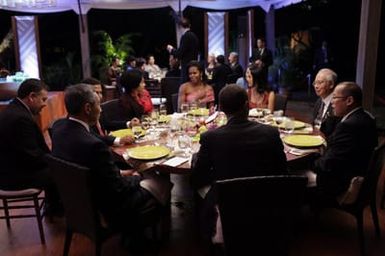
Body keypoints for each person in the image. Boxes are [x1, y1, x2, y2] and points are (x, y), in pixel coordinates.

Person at [51, 84, 165, 249]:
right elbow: (119, 189)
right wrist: (136, 177)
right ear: (88, 108)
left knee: (136, 175)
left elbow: (90, 169)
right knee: (160, 182)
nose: (101, 110)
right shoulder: (94, 145)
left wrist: (119, 172)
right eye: (98, 105)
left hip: (78, 201)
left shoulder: (59, 127)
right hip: (106, 206)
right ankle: (144, 237)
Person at [191, 84, 287, 241]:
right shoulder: (270, 133)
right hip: (265, 199)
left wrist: (199, 161)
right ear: (247, 105)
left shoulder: (211, 138)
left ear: (221, 108)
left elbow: (197, 179)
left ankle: (207, 229)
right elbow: (282, 172)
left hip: (226, 201)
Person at [0, 78, 61, 215]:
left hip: (10, 168)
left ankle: (54, 207)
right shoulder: (20, 118)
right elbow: (31, 155)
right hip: (13, 177)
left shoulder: (15, 109)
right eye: (43, 99)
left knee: (57, 166)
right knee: (62, 171)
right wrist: (56, 160)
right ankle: (58, 210)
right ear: (32, 97)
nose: (45, 104)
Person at [312, 82, 377, 205]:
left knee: (295, 177)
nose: (331, 102)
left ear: (349, 101)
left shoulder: (349, 126)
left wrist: (309, 161)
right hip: (356, 171)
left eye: (335, 98)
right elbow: (335, 141)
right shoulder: (364, 116)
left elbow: (328, 165)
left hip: (340, 183)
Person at [81, 77, 134, 146]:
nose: (99, 96)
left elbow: (107, 124)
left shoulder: (99, 107)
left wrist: (129, 124)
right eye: (96, 93)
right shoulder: (82, 114)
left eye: (100, 93)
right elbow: (93, 136)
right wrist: (119, 140)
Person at [167, 17, 199, 83]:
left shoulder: (185, 36)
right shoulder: (194, 36)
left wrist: (171, 49)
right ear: (189, 25)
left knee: (185, 87)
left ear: (180, 27)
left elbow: (179, 53)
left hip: (187, 67)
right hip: (194, 66)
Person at [312, 68, 341, 137]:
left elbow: (335, 133)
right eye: (315, 83)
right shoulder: (319, 101)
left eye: (320, 82)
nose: (316, 86)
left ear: (331, 84)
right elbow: (314, 124)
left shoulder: (338, 103)